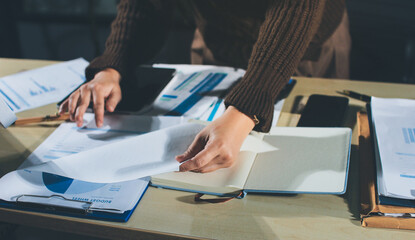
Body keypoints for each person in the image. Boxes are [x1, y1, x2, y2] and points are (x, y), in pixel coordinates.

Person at [59, 0, 350, 173]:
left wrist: (246, 109)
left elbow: (296, 6)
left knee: (287, 162)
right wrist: (113, 65)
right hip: (218, 39)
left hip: (300, 42)